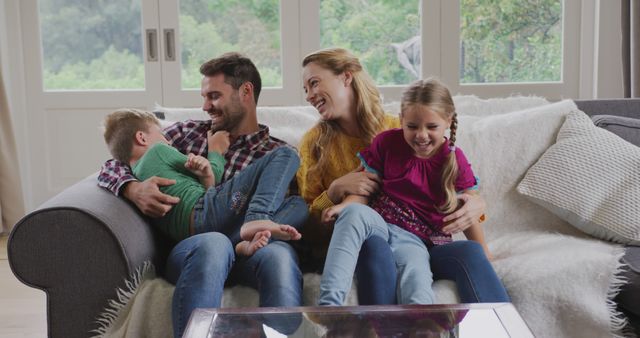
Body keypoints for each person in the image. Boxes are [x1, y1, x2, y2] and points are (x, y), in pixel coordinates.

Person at [98, 53, 307, 337]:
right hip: (196, 248)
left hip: (255, 248)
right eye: (204, 96)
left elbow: (291, 214)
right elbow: (118, 159)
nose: (205, 106)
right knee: (214, 243)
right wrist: (131, 188)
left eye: (214, 96)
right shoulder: (187, 133)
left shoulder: (276, 152)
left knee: (280, 254)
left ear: (245, 91)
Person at [297, 47, 509, 305]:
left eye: (314, 83)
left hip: (428, 238)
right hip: (377, 234)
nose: (309, 95)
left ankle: (500, 325)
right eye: (305, 88)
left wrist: (477, 203)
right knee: (379, 246)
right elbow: (309, 226)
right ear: (404, 121)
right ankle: (352, 319)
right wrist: (334, 193)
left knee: (466, 254)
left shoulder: (405, 132)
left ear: (346, 77)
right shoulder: (326, 143)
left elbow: (463, 195)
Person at [102, 108, 302, 257]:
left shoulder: (137, 173)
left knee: (298, 204)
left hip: (207, 224)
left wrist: (205, 174)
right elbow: (212, 178)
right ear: (142, 138)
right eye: (162, 135)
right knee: (286, 155)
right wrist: (215, 151)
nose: (168, 141)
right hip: (208, 209)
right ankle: (257, 217)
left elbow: (207, 186)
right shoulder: (157, 152)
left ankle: (243, 242)